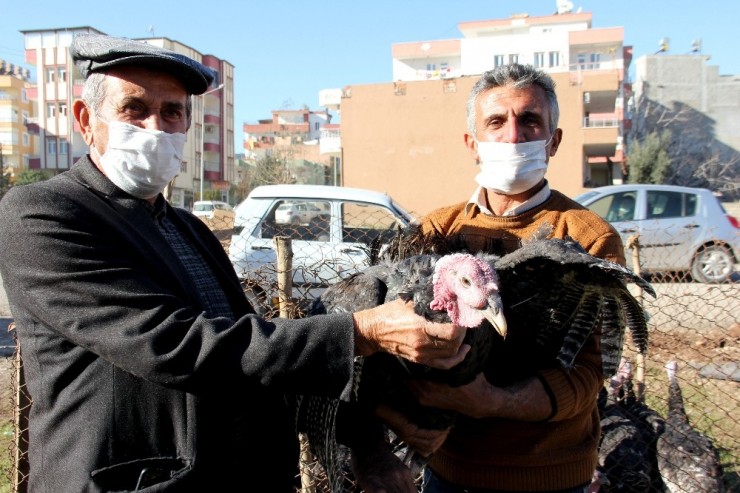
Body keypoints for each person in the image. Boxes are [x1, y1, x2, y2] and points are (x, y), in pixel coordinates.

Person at [0, 33, 469, 492]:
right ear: (85, 119)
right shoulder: (44, 213)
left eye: (172, 112)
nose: (155, 127)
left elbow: (251, 356)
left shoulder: (187, 227)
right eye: (134, 109)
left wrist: (367, 439)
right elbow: (175, 345)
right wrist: (361, 331)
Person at [390, 64, 626, 493]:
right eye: (496, 122)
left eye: (530, 120)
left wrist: (490, 402)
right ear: (472, 143)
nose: (513, 136)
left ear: (553, 141)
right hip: (447, 470)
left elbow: (590, 372)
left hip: (548, 477)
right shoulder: (435, 231)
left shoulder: (588, 237)